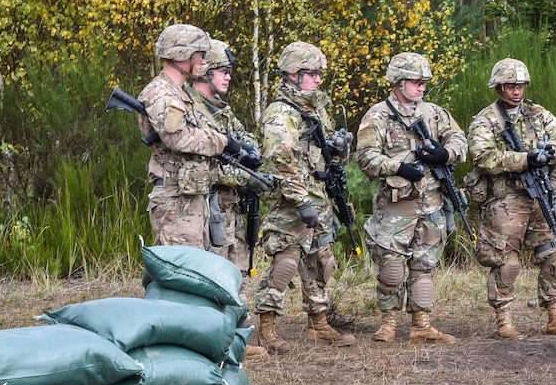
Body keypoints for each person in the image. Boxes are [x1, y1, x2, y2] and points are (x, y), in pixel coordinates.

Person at [466, 58, 556, 339]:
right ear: (499, 87)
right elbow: (482, 156)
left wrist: (549, 154)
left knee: (555, 255)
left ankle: (555, 313)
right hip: (506, 200)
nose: (516, 91)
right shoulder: (486, 119)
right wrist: (523, 159)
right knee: (506, 261)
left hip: (540, 195)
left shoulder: (538, 113)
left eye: (520, 85)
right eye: (510, 86)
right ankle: (504, 319)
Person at [355, 52, 466, 344]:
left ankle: (421, 324)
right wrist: (398, 167)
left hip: (432, 203)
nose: (421, 88)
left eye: (424, 83)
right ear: (398, 82)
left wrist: (446, 153)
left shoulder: (434, 113)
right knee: (391, 267)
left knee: (425, 266)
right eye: (416, 82)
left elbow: (459, 140)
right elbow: (365, 158)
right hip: (396, 206)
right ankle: (388, 323)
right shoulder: (378, 115)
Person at [253, 41, 356, 352]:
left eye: (320, 74)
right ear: (292, 75)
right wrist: (302, 202)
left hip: (319, 195)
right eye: (312, 73)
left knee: (321, 260)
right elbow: (279, 162)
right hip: (291, 202)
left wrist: (341, 146)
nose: (318, 79)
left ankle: (318, 323)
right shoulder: (280, 113)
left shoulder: (317, 109)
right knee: (285, 262)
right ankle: (267, 326)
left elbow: (322, 155)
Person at [189, 38, 271, 359]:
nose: (228, 77)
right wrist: (246, 175)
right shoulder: (194, 110)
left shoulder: (222, 111)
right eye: (222, 71)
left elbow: (247, 143)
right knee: (213, 272)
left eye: (229, 72)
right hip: (208, 207)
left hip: (232, 205)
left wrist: (252, 158)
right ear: (205, 72)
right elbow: (206, 166)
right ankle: (215, 339)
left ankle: (237, 335)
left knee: (235, 269)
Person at [138, 23, 242, 248]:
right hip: (175, 199)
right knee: (181, 271)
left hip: (190, 195)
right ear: (182, 55)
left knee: (193, 271)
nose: (204, 62)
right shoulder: (161, 93)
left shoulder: (181, 92)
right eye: (200, 55)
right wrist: (223, 142)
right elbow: (177, 138)